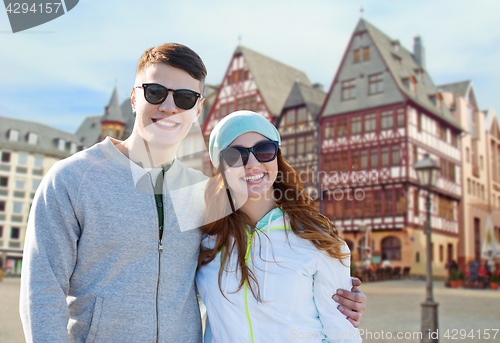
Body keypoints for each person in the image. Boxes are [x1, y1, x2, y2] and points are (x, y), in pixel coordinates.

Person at [20, 44, 366, 342]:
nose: (169, 106)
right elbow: (42, 293)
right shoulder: (72, 179)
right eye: (155, 92)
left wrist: (342, 293)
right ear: (134, 97)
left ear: (197, 109)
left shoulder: (201, 196)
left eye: (184, 98)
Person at [196, 111, 362, 342]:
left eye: (264, 150)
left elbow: (342, 336)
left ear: (276, 156)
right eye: (236, 155)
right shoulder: (206, 240)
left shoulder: (317, 239)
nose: (253, 164)